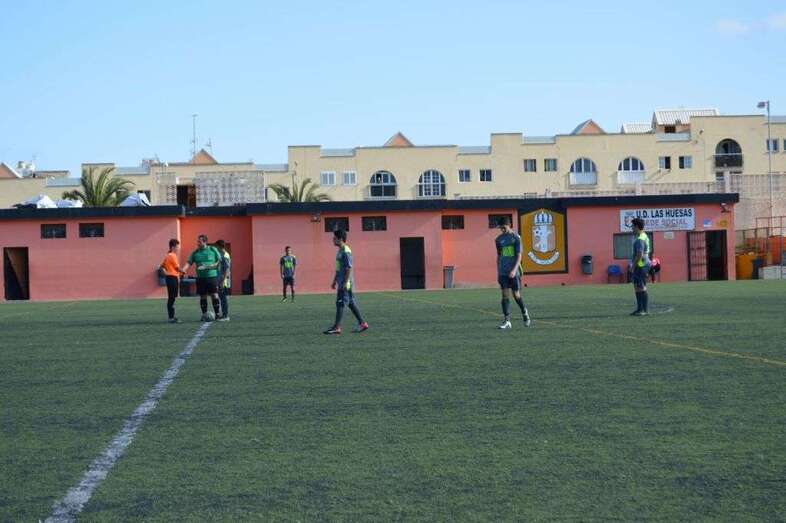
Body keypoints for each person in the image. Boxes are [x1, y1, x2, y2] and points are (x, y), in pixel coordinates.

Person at [323, 229, 369, 335]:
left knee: (340, 303)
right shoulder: (340, 251)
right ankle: (362, 323)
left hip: (345, 283)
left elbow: (349, 268)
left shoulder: (346, 251)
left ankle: (336, 327)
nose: (333, 240)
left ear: (340, 239)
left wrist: (345, 282)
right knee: (351, 303)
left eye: (334, 238)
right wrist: (334, 281)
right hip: (341, 281)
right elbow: (338, 269)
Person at [495, 216, 531, 329]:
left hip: (513, 272)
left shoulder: (516, 238)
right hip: (503, 272)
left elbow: (519, 255)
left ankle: (524, 311)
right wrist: (498, 270)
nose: (502, 230)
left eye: (504, 227)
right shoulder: (498, 239)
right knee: (504, 295)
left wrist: (514, 270)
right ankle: (507, 321)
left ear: (509, 225)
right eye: (501, 228)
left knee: (516, 295)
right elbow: (499, 255)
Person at [181, 234, 222, 322]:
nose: (198, 243)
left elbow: (218, 261)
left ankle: (217, 314)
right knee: (202, 296)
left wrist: (208, 266)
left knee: (214, 295)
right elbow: (189, 263)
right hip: (200, 278)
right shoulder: (195, 252)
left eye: (199, 241)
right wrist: (183, 270)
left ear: (205, 242)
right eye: (197, 241)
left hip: (212, 276)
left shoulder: (212, 249)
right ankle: (204, 315)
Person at [630, 217, 651, 316]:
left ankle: (644, 310)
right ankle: (639, 309)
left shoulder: (640, 239)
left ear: (637, 227)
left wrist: (633, 266)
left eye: (633, 226)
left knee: (641, 287)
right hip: (642, 263)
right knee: (637, 286)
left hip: (641, 265)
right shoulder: (643, 236)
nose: (632, 228)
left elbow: (639, 254)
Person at [160, 238, 184, 323]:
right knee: (172, 298)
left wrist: (165, 273)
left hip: (169, 278)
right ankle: (171, 317)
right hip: (172, 278)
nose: (178, 248)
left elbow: (162, 266)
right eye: (177, 247)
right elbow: (177, 268)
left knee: (172, 297)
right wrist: (184, 271)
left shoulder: (168, 255)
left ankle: (171, 317)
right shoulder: (172, 256)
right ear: (173, 247)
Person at [215, 239, 231, 321]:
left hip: (223, 281)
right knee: (222, 298)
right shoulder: (222, 255)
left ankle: (226, 316)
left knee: (224, 298)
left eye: (216, 246)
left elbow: (226, 270)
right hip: (221, 280)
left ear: (219, 246)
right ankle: (224, 315)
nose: (216, 248)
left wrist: (222, 282)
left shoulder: (225, 256)